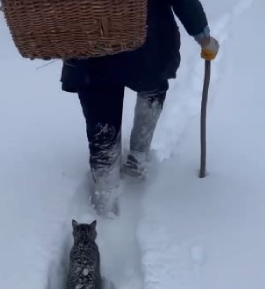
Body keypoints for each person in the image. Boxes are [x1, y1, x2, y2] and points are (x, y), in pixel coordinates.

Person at [61, 0, 221, 217]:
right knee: (151, 89)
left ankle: (105, 195)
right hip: (147, 42)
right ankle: (137, 156)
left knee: (101, 118)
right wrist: (204, 38)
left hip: (89, 47)